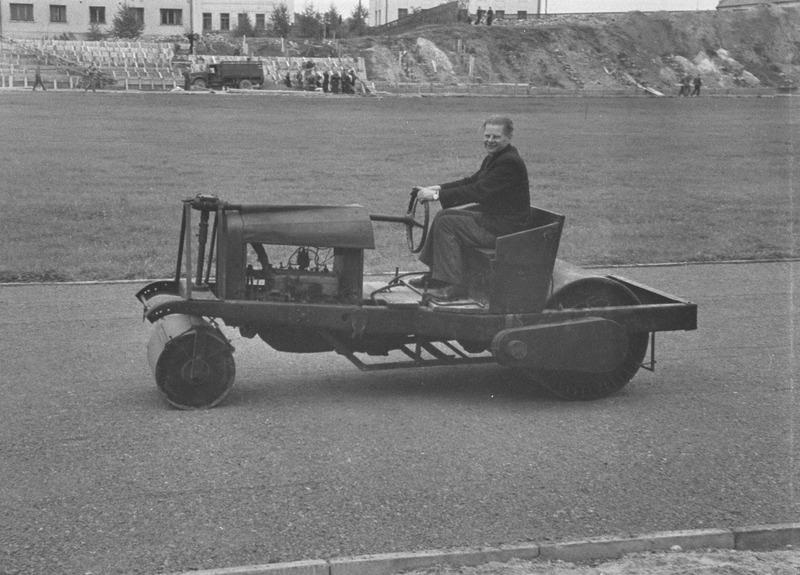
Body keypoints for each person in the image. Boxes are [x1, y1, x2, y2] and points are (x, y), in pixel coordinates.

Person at [410, 116, 531, 301]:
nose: (490, 140)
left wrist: (436, 197)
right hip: (496, 220)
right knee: (445, 215)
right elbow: (472, 181)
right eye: (487, 135)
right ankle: (437, 277)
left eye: (496, 137)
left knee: (447, 222)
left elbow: (478, 191)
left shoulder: (509, 162)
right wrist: (439, 188)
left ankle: (454, 286)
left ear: (509, 137)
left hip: (505, 229)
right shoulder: (496, 158)